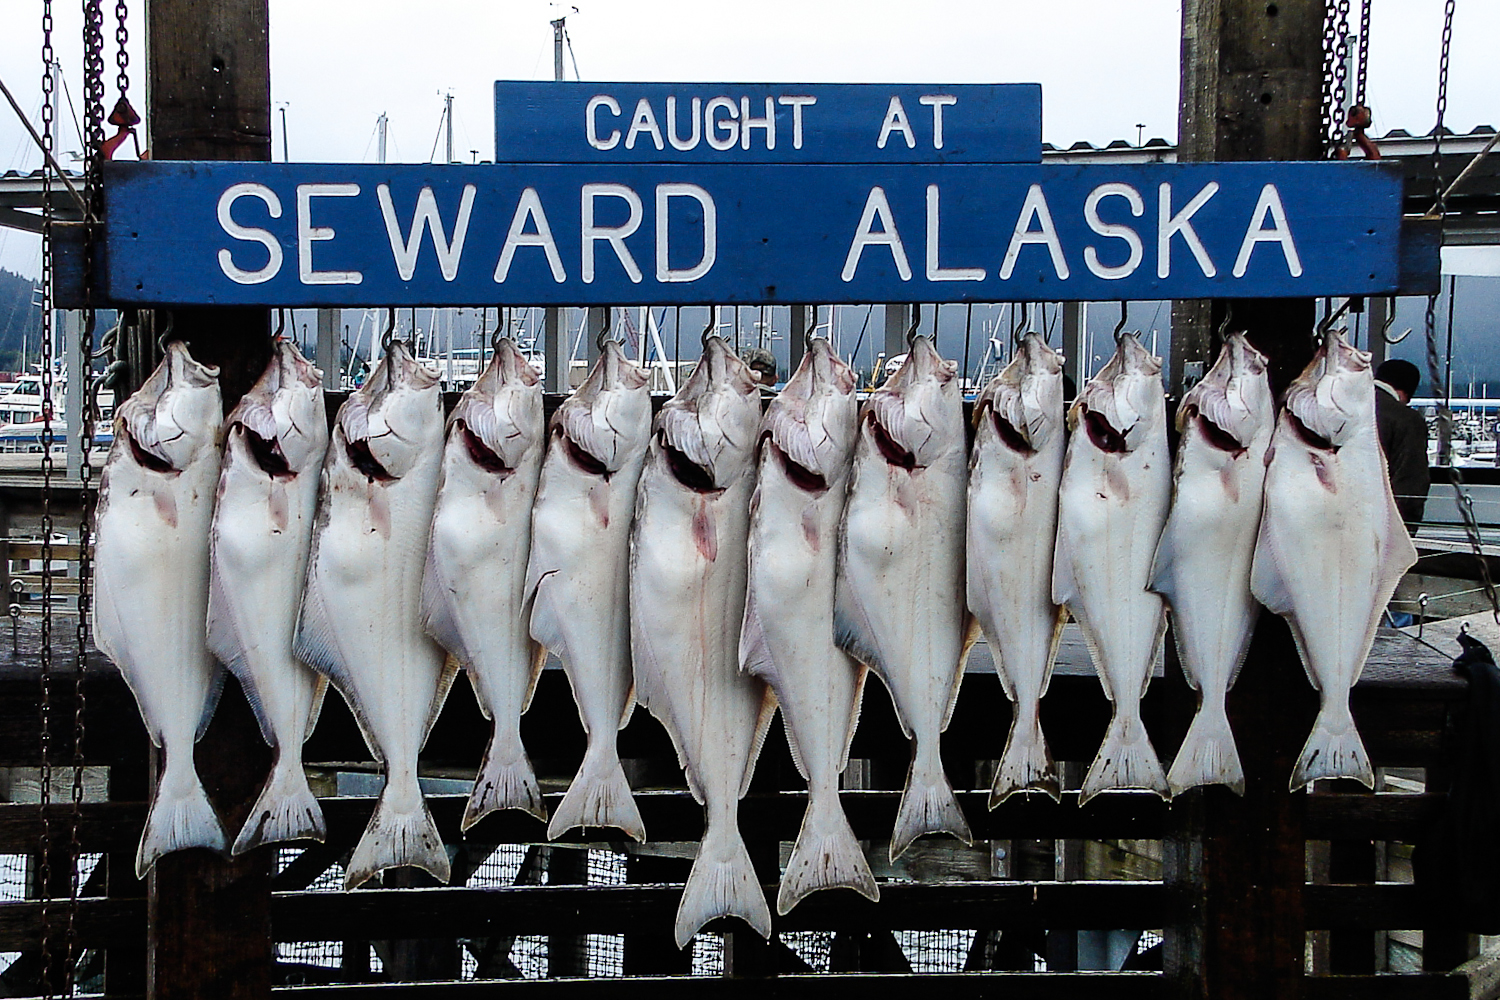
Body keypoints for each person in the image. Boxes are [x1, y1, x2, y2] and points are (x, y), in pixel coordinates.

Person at [1374, 358, 1431, 531]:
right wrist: (1406, 531)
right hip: (1378, 525)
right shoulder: (1406, 420)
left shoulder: (1343, 408)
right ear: (1405, 392)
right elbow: (1411, 482)